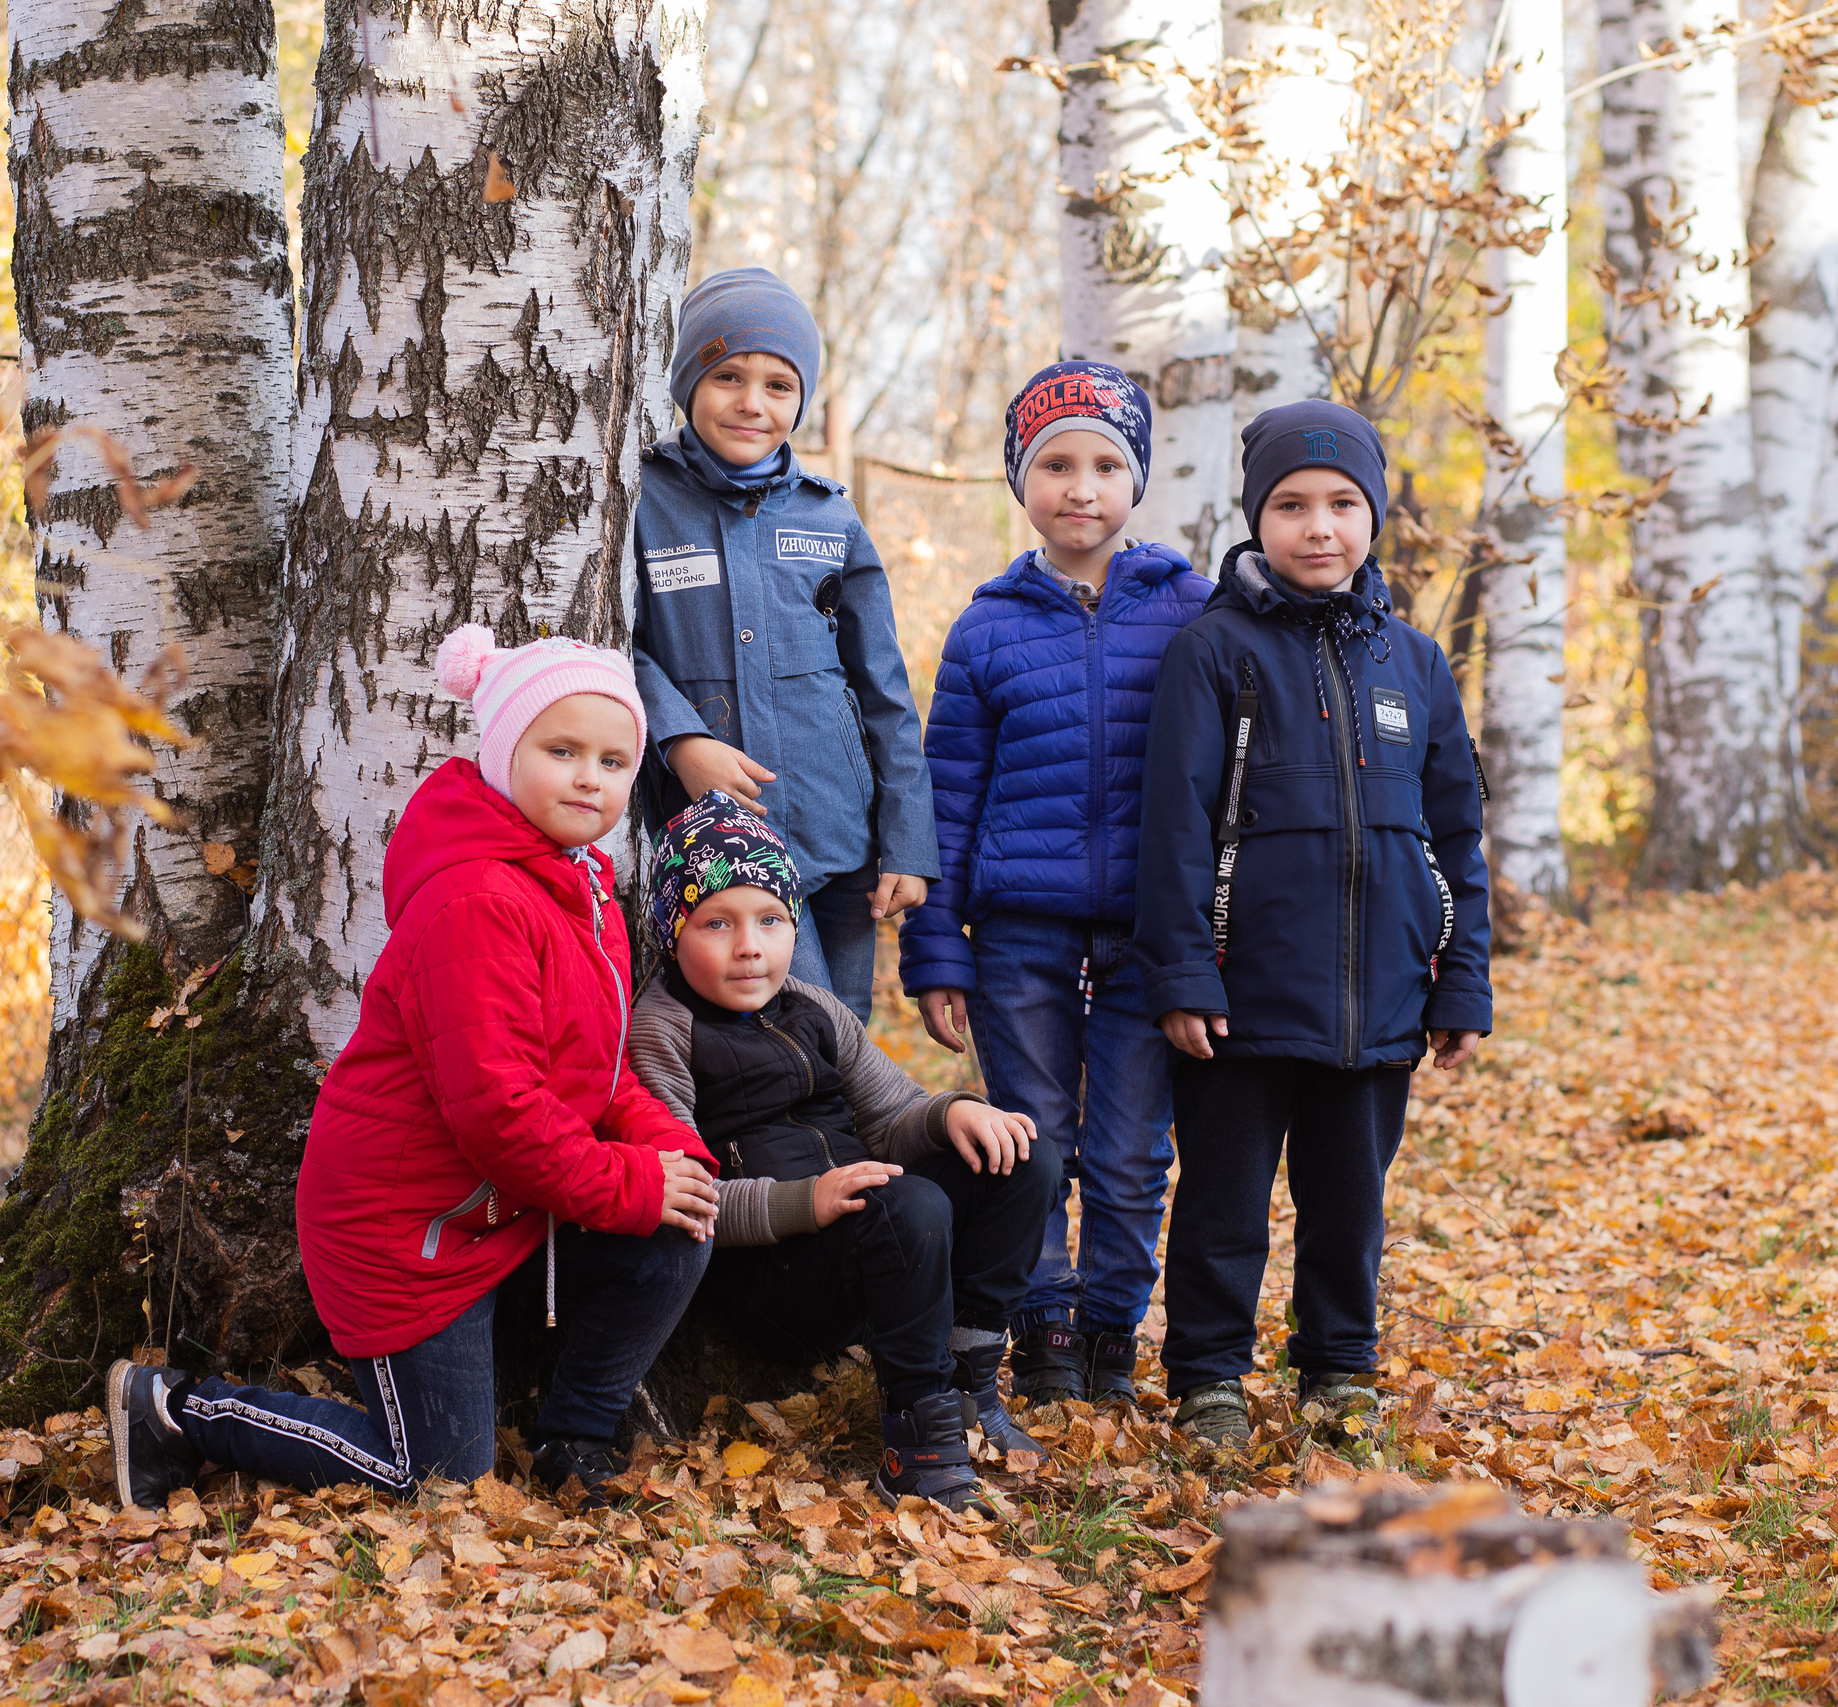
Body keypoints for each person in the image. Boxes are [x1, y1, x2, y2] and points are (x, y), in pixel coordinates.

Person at [105, 628, 722, 1508]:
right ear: (507, 753)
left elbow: (597, 1073)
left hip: (502, 1208)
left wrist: (669, 1153)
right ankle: (179, 1410)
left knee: (677, 1221)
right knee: (432, 1477)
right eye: (562, 751)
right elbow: (501, 1113)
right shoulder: (478, 899)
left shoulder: (579, 883)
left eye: (615, 759)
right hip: (408, 1234)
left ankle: (575, 1439)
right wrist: (630, 1181)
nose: (591, 776)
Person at [1134, 399, 1493, 1453]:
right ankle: (1207, 1378)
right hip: (1243, 997)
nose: (1318, 526)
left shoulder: (1415, 666)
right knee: (1224, 1209)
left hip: (1380, 998)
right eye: (1291, 505)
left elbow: (1455, 837)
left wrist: (1460, 980)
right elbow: (1175, 829)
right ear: (1257, 519)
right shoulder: (1214, 652)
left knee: (1349, 1208)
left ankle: (1340, 1370)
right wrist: (1185, 974)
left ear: (1373, 516)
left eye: (1342, 504)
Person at [898, 362, 1212, 1409]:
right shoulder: (987, 627)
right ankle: (1039, 1331)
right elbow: (945, 801)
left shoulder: (1187, 611)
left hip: (1146, 935)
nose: (1081, 487)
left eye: (1105, 465)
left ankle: (1113, 1333)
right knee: (1030, 1139)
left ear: (1136, 481)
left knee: (1129, 1151)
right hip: (1019, 935)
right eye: (1056, 465)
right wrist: (938, 951)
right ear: (1020, 482)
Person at [627, 792, 1059, 1512]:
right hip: (774, 1274)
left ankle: (967, 1381)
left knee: (1022, 1157)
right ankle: (915, 1441)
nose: (749, 946)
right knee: (909, 1202)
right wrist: (808, 1200)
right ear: (673, 931)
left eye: (769, 919)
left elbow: (893, 1115)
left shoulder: (812, 1006)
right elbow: (684, 1195)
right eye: (717, 923)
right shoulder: (664, 1029)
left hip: (877, 1236)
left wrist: (955, 1110)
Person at [631, 266, 938, 1020]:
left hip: (840, 836)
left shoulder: (831, 517)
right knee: (783, 1037)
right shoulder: (641, 499)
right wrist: (680, 740)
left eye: (778, 384)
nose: (751, 403)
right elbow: (614, 643)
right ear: (686, 383)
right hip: (719, 848)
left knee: (844, 1028)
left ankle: (850, 1143)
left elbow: (885, 692)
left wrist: (906, 842)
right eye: (727, 375)